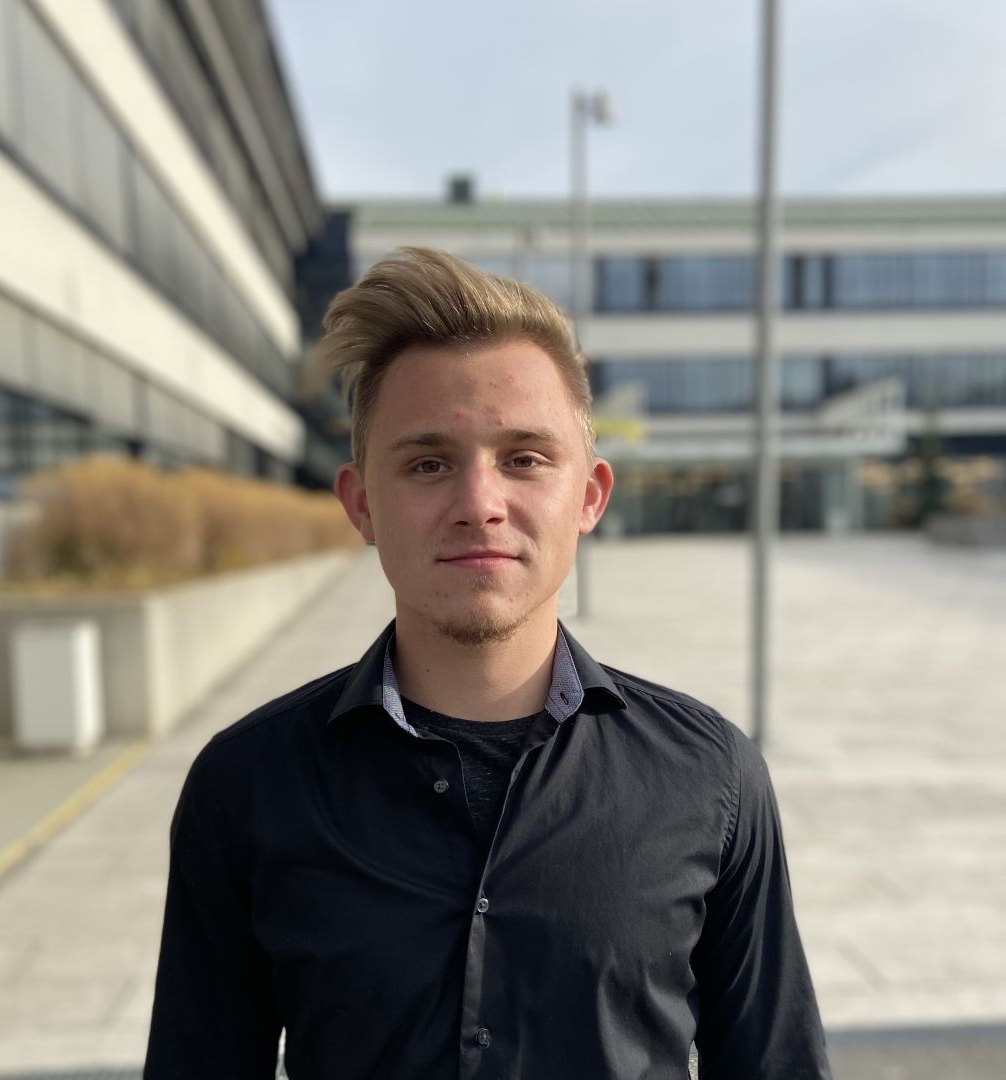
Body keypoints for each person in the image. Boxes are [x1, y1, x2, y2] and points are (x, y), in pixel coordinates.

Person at [145, 247, 832, 1079]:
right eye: (428, 464)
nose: (479, 505)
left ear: (589, 496)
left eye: (525, 459)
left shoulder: (711, 777)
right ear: (362, 504)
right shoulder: (245, 786)